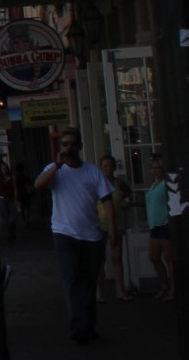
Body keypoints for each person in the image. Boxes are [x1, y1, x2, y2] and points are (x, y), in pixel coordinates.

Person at [35, 127, 113, 343]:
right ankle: (79, 327)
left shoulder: (92, 172)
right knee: (72, 280)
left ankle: (87, 325)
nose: (68, 148)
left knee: (88, 282)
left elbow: (107, 201)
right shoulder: (55, 170)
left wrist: (113, 232)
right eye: (64, 144)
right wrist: (57, 164)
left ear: (79, 146)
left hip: (91, 235)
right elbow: (38, 184)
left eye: (71, 144)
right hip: (64, 233)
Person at [97, 154, 135, 302]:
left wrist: (121, 204)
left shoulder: (118, 182)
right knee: (99, 260)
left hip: (117, 224)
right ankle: (98, 292)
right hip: (100, 225)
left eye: (110, 165)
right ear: (101, 168)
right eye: (105, 166)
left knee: (117, 257)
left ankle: (121, 290)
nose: (108, 168)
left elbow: (128, 191)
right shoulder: (97, 183)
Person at [145, 153, 175, 300]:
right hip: (154, 225)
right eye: (153, 168)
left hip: (164, 223)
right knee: (154, 257)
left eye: (158, 168)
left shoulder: (166, 184)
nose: (155, 170)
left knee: (169, 258)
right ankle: (164, 285)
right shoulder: (154, 184)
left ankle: (173, 289)